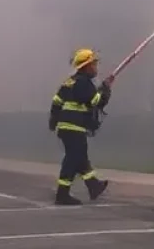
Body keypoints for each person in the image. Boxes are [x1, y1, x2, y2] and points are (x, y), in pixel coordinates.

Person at [49, 48, 112, 206]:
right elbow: (96, 102)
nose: (96, 68)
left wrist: (53, 121)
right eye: (94, 64)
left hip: (66, 126)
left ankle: (93, 185)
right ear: (86, 66)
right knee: (73, 159)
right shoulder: (84, 83)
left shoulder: (69, 82)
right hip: (74, 126)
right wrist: (106, 89)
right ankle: (62, 194)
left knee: (80, 156)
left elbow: (56, 102)